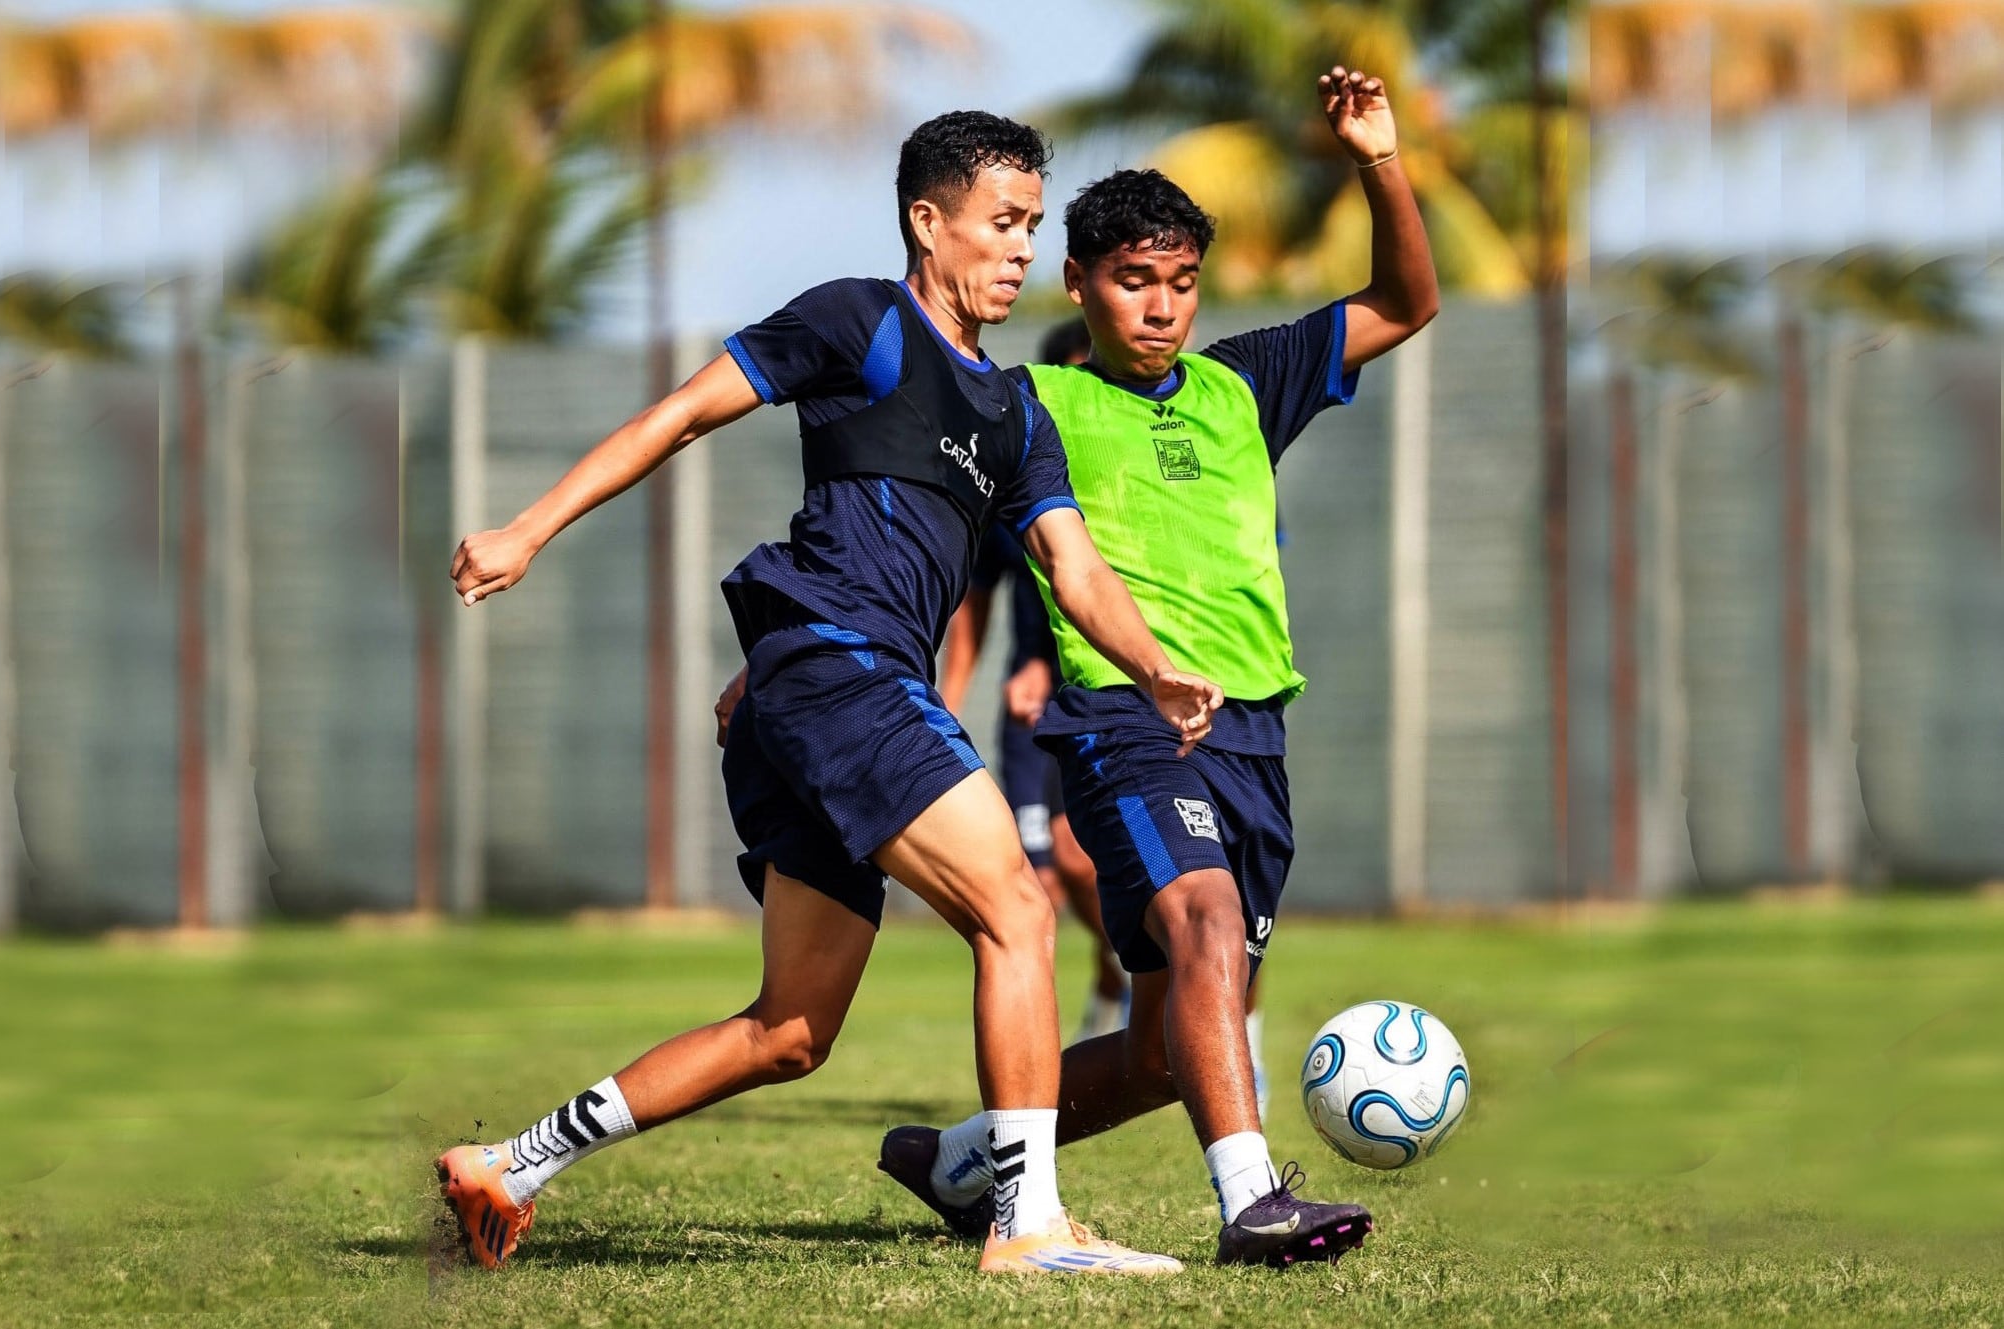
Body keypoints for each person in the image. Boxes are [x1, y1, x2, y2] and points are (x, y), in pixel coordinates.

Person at [437, 110, 1221, 1277]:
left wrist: (1152, 662)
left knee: (790, 1031)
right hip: (831, 671)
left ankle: (511, 1161)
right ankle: (1026, 1226)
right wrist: (527, 528)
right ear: (927, 220)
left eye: (1030, 227)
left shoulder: (1014, 414)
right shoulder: (860, 320)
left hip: (821, 689)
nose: (1018, 250)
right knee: (1012, 905)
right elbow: (679, 413)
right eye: (1001, 224)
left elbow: (1075, 565)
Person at [881, 67, 1438, 1268]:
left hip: (1254, 737)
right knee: (1205, 920)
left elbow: (1407, 298)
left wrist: (1377, 159)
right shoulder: (1029, 406)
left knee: (1164, 1043)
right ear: (1077, 283)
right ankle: (1251, 1203)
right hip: (1121, 722)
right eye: (1134, 283)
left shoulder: (1249, 384)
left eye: (1181, 285)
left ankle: (966, 1160)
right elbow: (917, 535)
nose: (1162, 308)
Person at [937, 319, 1128, 1043]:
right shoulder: (1016, 490)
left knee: (1080, 861)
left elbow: (1103, 591)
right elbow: (975, 605)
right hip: (1028, 715)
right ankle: (1067, 1032)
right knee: (1036, 879)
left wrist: (1051, 662)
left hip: (1103, 697)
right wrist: (948, 697)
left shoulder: (1122, 495)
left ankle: (1121, 973)